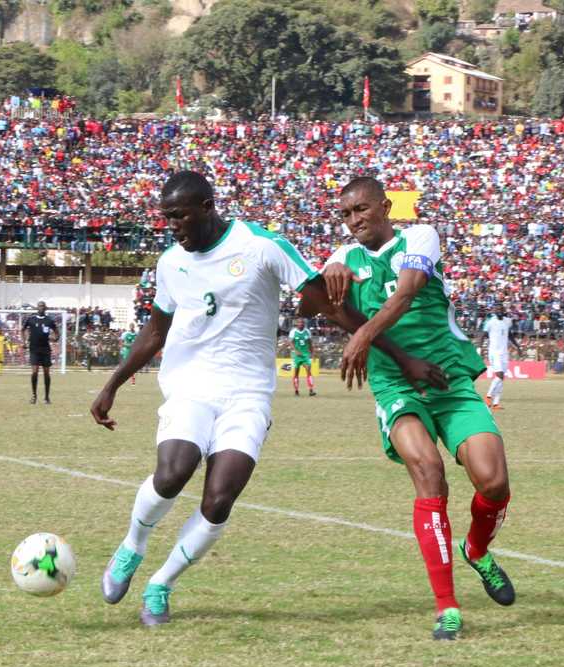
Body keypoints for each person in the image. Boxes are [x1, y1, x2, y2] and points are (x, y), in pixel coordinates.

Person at [91, 171, 444, 627]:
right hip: (191, 385)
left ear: (206, 207)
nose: (172, 226)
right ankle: (132, 546)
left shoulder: (262, 246)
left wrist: (399, 355)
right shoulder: (170, 263)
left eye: (178, 216)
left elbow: (328, 303)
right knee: (173, 472)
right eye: (166, 218)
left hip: (248, 392)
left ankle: (162, 583)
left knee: (220, 499)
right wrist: (112, 383)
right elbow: (155, 331)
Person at [318, 176, 516, 641]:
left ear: (385, 207)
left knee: (494, 481)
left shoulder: (420, 236)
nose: (353, 221)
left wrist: (363, 335)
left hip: (446, 375)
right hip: (395, 383)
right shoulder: (344, 257)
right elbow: (329, 303)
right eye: (345, 215)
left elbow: (406, 293)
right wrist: (333, 274)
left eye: (361, 210)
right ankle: (447, 608)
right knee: (429, 472)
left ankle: (477, 548)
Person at [482, 306, 521, 410]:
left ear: (504, 311)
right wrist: (480, 347)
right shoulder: (490, 322)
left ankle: (496, 403)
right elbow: (483, 335)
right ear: (495, 311)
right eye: (497, 310)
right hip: (494, 352)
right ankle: (488, 396)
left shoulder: (507, 321)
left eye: (501, 310)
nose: (499, 311)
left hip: (504, 353)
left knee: (501, 378)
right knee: (499, 375)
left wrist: (518, 346)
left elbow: (510, 335)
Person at [22, 301, 58, 404]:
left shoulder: (49, 320)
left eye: (43, 306)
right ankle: (34, 396)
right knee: (34, 372)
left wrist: (55, 338)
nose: (41, 308)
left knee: (46, 373)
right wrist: (24, 342)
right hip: (34, 349)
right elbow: (22, 330)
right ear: (37, 308)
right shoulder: (31, 319)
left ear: (45, 308)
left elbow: (56, 332)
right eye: (39, 306)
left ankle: (47, 397)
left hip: (45, 350)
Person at [289, 317, 316, 397]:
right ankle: (296, 390)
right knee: (296, 372)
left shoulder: (307, 331)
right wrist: (296, 351)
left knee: (308, 369)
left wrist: (313, 353)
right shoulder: (293, 332)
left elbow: (310, 343)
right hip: (296, 355)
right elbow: (291, 342)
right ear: (296, 324)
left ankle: (311, 390)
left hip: (305, 354)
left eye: (302, 322)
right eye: (299, 322)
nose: (301, 324)